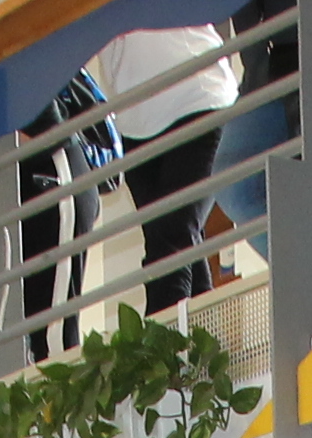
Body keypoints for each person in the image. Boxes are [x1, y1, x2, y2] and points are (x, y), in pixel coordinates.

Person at [89, 20, 239, 309]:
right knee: (177, 240)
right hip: (135, 120)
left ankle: (163, 337)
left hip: (198, 97)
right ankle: (201, 334)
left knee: (173, 236)